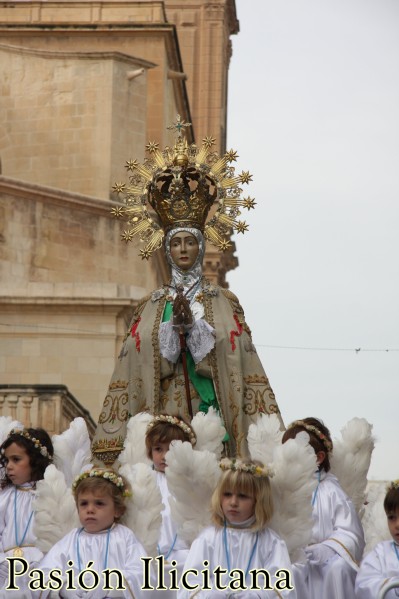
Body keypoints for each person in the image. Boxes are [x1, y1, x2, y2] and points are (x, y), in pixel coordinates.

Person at [92, 118, 283, 465]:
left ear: (200, 246)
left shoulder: (223, 302)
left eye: (189, 242)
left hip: (212, 415)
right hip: (163, 414)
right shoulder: (149, 306)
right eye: (175, 243)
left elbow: (238, 353)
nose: (182, 249)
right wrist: (169, 335)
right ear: (166, 249)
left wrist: (196, 335)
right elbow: (132, 361)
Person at [177, 458, 296, 598]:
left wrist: (254, 596)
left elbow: (283, 588)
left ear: (259, 500)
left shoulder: (271, 542)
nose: (233, 502)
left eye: (243, 496)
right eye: (227, 494)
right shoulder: (207, 539)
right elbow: (189, 584)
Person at [282, 417, 365, 599]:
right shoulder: (282, 489)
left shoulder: (331, 491)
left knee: (339, 569)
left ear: (319, 457)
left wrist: (324, 550)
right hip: (294, 558)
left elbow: (350, 533)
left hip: (327, 560)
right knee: (289, 572)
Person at [37, 468, 151, 598]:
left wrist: (110, 585)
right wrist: (63, 587)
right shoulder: (70, 540)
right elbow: (45, 573)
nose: (90, 509)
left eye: (99, 503)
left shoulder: (125, 537)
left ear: (117, 510)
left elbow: (142, 574)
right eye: (84, 503)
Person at [145, 414, 194, 597]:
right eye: (158, 449)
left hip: (184, 557)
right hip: (150, 556)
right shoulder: (143, 480)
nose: (164, 456)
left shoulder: (191, 482)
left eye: (171, 449)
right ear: (150, 451)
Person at [0, 427, 54, 592]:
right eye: (7, 460)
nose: (9, 466)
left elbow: (57, 532)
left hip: (40, 569)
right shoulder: (4, 497)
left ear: (35, 460)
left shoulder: (50, 494)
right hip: (4, 569)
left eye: (16, 460)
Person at [355, 480, 399, 598]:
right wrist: (393, 585)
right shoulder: (380, 553)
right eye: (392, 517)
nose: (397, 524)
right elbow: (364, 585)